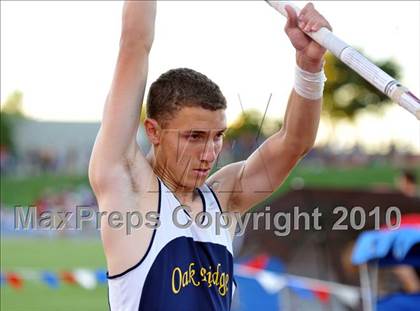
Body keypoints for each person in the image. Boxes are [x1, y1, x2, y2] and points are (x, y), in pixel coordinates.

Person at [88, 2, 332, 310]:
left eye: (218, 137)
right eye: (194, 137)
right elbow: (135, 42)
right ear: (153, 131)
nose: (210, 153)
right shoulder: (128, 187)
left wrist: (310, 66)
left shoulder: (223, 198)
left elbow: (294, 142)